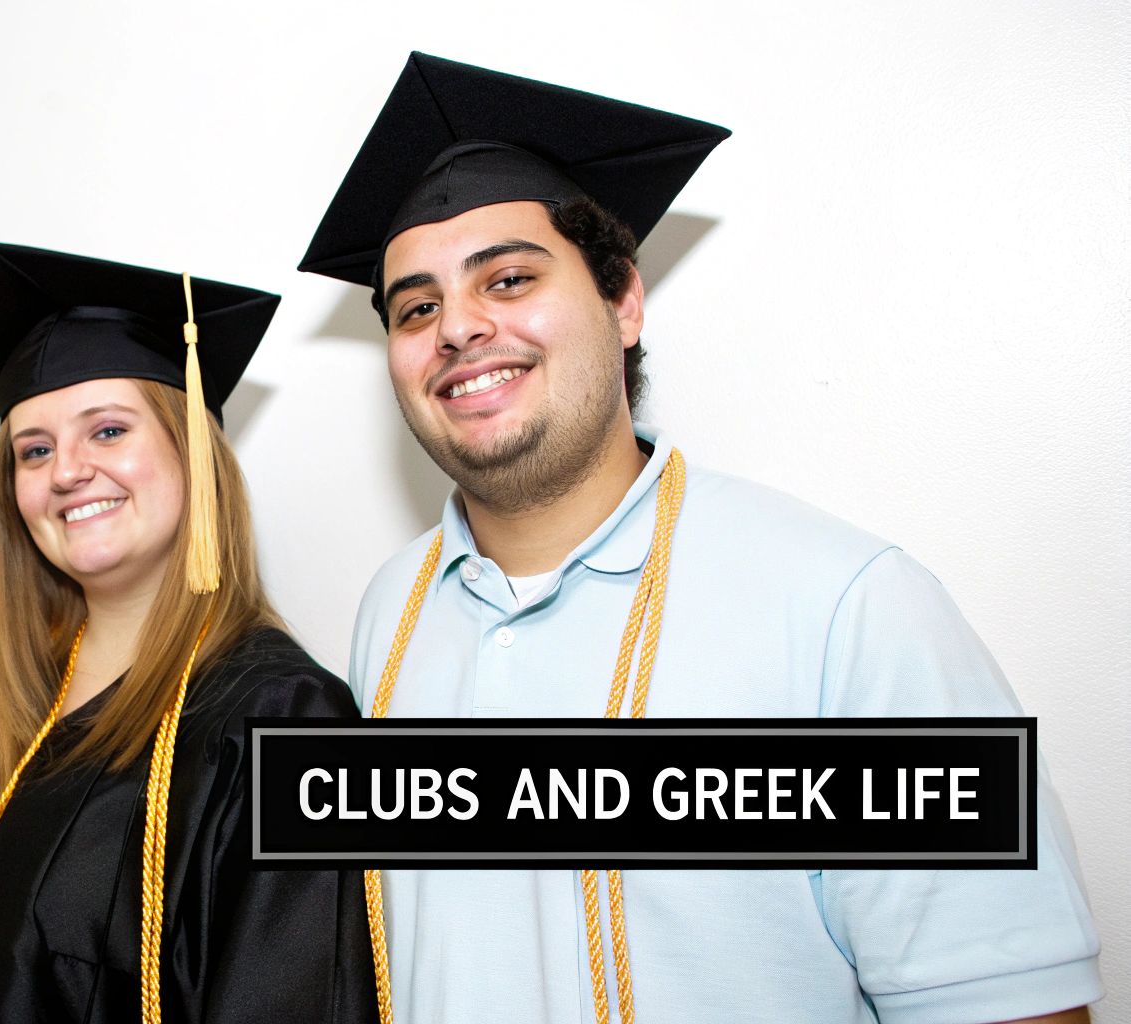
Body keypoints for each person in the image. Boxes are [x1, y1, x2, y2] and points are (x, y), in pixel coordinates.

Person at [298, 53, 1101, 1024]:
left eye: (507, 278)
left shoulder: (845, 607)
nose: (457, 328)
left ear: (622, 300)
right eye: (415, 306)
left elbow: (1012, 1008)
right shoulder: (392, 610)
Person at [0, 243, 379, 1023]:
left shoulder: (283, 719)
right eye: (33, 450)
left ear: (193, 449)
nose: (66, 470)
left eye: (107, 431)